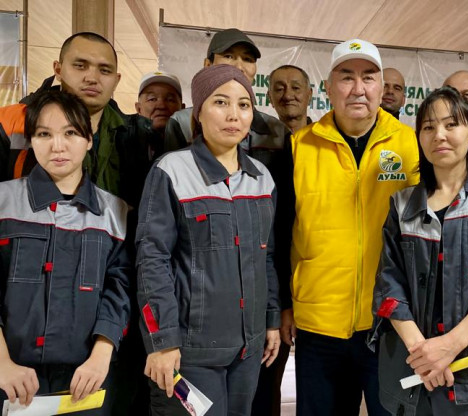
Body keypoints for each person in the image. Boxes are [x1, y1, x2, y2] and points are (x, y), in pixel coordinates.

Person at [282, 38, 419, 416]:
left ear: (381, 86)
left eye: (369, 77)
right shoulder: (299, 147)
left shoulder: (410, 145)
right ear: (328, 88)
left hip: (390, 322)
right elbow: (280, 233)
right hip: (319, 325)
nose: (358, 88)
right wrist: (284, 305)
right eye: (346, 77)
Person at [136, 65, 281, 416]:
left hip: (248, 349)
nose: (234, 114)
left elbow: (266, 255)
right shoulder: (172, 171)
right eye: (220, 102)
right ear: (198, 112)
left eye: (244, 104)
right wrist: (162, 341)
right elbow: (151, 260)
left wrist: (271, 319)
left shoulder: (262, 177)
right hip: (190, 352)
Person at [370, 86, 468, 415]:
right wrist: (424, 354)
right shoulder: (402, 203)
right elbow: (388, 283)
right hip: (411, 372)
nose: (439, 134)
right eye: (428, 126)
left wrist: (448, 347)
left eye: (451, 124)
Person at [0, 90, 131, 414]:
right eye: (44, 134)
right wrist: (2, 362)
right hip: (10, 379)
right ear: (31, 140)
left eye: (70, 133)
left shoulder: (115, 213)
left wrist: (101, 355)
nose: (57, 146)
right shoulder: (4, 202)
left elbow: (120, 289)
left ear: (89, 139)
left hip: (86, 380)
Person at [0, 32, 159, 208]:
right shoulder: (10, 123)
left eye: (105, 70)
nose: (92, 78)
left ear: (116, 80)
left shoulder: (140, 137)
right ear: (58, 70)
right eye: (80, 66)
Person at [268, 64, 313, 133]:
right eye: (280, 89)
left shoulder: (324, 138)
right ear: (270, 97)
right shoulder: (258, 139)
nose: (287, 96)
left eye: (295, 88)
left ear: (309, 95)